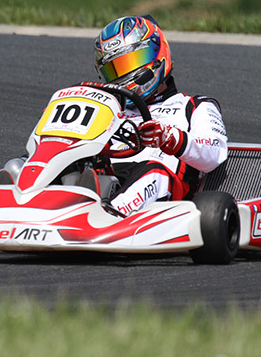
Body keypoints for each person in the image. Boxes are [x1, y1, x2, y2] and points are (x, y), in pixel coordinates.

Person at [89, 14, 228, 215]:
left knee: (153, 171)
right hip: (106, 178)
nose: (124, 76)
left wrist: (169, 138)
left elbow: (215, 153)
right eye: (114, 70)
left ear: (157, 55)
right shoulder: (110, 109)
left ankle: (110, 216)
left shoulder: (193, 106)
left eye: (131, 62)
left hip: (163, 190)